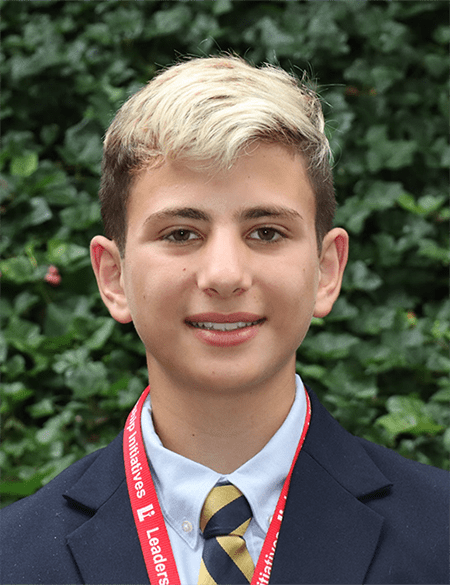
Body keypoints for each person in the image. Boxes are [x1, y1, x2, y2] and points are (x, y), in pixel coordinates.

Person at [0, 55, 448, 585]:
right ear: (113, 277)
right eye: (180, 234)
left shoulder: (439, 535)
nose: (225, 275)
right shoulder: (13, 557)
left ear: (327, 270)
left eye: (266, 232)